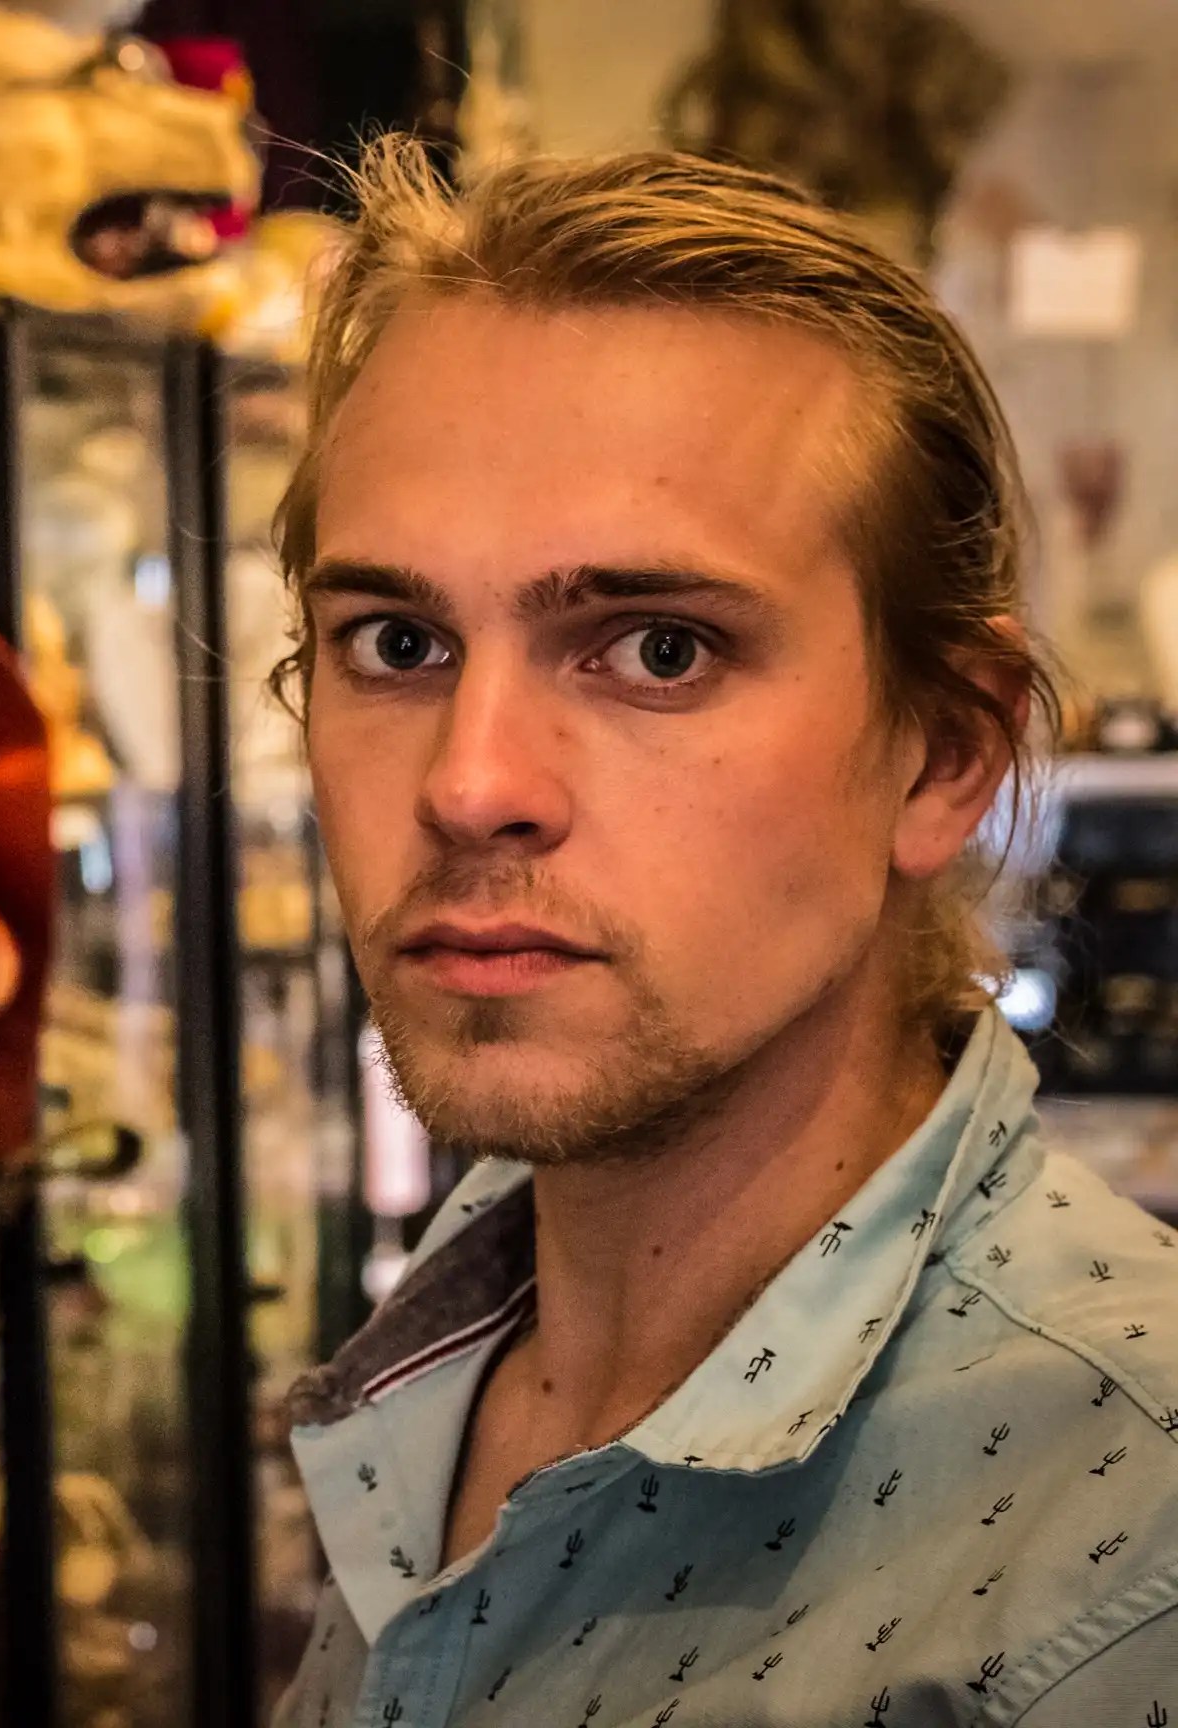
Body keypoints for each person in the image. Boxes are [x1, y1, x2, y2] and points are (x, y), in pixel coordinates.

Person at [275, 138, 1178, 1726]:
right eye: (397, 641)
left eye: (661, 650)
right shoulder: (439, 1357)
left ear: (944, 751)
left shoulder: (1119, 1559)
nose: (471, 783)